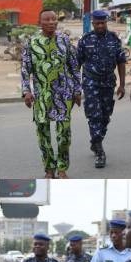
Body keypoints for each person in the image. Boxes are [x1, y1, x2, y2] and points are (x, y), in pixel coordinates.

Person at [21, 9, 82, 179]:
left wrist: (77, 90)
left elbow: (74, 67)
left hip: (64, 95)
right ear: (39, 22)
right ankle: (49, 169)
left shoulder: (65, 41)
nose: (51, 22)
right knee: (43, 134)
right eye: (46, 19)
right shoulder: (31, 43)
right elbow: (26, 70)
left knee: (63, 134)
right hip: (41, 96)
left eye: (54, 19)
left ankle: (62, 168)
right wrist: (26, 91)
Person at [77, 10, 127, 169]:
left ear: (106, 22)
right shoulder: (85, 40)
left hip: (108, 83)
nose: (100, 25)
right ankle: (99, 150)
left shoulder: (114, 39)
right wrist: (76, 87)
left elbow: (121, 62)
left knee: (105, 116)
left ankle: (96, 140)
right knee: (94, 116)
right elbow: (77, 64)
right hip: (90, 81)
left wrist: (122, 84)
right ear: (93, 23)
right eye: (97, 23)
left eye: (102, 23)